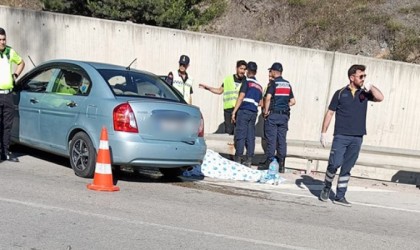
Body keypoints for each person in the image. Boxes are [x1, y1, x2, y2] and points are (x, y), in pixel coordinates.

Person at [319, 64, 384, 207]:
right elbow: (330, 112)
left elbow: (380, 97)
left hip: (357, 136)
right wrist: (324, 132)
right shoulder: (340, 93)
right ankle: (326, 186)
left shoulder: (365, 93)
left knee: (347, 167)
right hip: (341, 135)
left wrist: (371, 86)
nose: (363, 79)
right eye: (361, 76)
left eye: (364, 76)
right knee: (334, 163)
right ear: (351, 77)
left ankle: (340, 196)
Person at [261, 62, 296, 173]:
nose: (270, 72)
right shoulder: (287, 84)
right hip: (284, 116)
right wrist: (285, 106)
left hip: (273, 115)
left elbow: (268, 98)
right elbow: (293, 101)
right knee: (282, 140)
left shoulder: (273, 84)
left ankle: (269, 162)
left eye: (270, 71)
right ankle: (281, 165)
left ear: (274, 71)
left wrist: (266, 111)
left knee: (271, 140)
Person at [199, 60, 247, 135]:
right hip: (228, 110)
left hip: (240, 109)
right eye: (241, 68)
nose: (243, 71)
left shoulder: (246, 81)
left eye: (244, 69)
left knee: (239, 132)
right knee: (228, 132)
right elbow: (219, 91)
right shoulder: (228, 79)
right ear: (236, 68)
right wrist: (208, 88)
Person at [0, 27, 25, 162]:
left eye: (4, 39)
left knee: (7, 125)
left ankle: (5, 152)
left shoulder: (10, 52)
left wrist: (15, 75)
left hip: (8, 95)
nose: (2, 42)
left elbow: (21, 63)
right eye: (0, 40)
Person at [231, 61, 263, 167]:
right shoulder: (259, 86)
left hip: (244, 111)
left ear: (248, 70)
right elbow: (261, 102)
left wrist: (234, 112)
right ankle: (249, 159)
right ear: (256, 72)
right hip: (253, 112)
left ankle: (238, 158)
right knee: (250, 136)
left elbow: (241, 97)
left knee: (241, 135)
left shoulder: (246, 82)